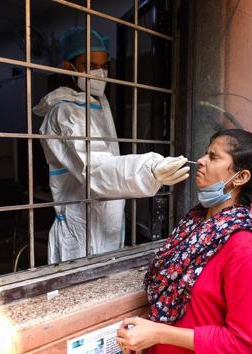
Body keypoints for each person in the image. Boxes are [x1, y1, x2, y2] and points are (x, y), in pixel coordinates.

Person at [33, 27, 189, 263]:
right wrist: (149, 169)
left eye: (104, 65)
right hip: (80, 233)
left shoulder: (97, 105)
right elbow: (95, 169)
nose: (100, 72)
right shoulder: (65, 113)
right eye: (90, 65)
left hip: (106, 226)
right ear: (68, 67)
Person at [115, 129, 252, 353]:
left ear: (240, 177)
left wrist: (158, 332)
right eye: (205, 153)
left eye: (213, 157)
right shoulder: (194, 224)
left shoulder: (242, 247)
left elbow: (241, 341)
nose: (200, 161)